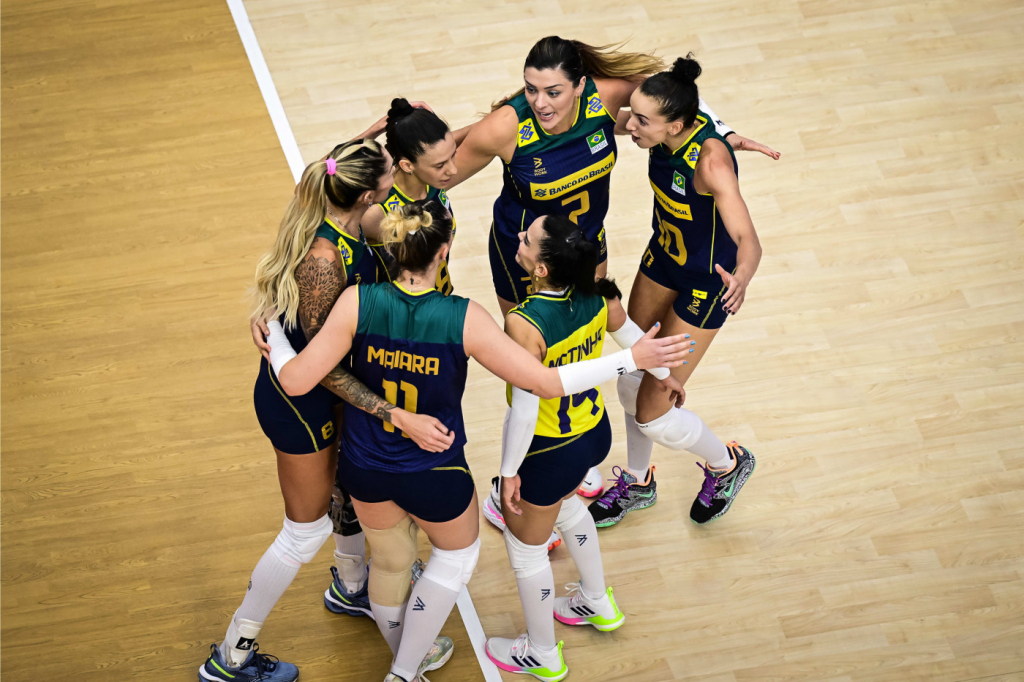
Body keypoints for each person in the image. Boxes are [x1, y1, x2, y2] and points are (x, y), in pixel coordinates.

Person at [264, 199, 692, 682]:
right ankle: (406, 671)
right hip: (449, 466)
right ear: (444, 253)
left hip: (367, 465)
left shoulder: (356, 301)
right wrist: (639, 360)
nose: (518, 240)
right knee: (462, 554)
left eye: (527, 240)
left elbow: (298, 379)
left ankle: (408, 658)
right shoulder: (468, 317)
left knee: (389, 565)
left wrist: (277, 336)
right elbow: (544, 384)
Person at [201, 140, 452, 682]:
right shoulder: (323, 260)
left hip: (320, 391)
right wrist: (392, 412)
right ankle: (231, 655)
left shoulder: (336, 205)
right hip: (301, 400)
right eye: (388, 180)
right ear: (365, 194)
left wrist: (381, 129)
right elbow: (320, 367)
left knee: (347, 489)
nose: (395, 189)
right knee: (303, 531)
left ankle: (352, 586)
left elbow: (334, 166)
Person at [482, 215, 685, 680]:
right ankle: (596, 600)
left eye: (527, 239)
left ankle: (541, 653)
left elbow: (526, 410)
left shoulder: (525, 323)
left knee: (526, 550)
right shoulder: (600, 292)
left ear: (541, 270)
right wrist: (663, 374)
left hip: (549, 449)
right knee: (570, 507)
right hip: (593, 433)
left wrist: (510, 470)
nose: (519, 238)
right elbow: (631, 337)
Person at [590, 55, 771, 530]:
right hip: (665, 257)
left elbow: (749, 239)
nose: (630, 125)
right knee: (632, 370)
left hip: (708, 282)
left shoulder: (710, 162)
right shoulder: (665, 121)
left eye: (642, 121)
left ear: (676, 125)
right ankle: (638, 480)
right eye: (633, 114)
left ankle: (727, 465)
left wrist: (743, 276)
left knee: (652, 413)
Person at [360, 98, 459, 294]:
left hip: (439, 301)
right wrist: (369, 134)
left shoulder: (433, 181)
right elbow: (309, 188)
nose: (453, 170)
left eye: (453, 155)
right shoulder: (377, 213)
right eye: (440, 165)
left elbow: (480, 133)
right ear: (407, 165)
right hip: (403, 316)